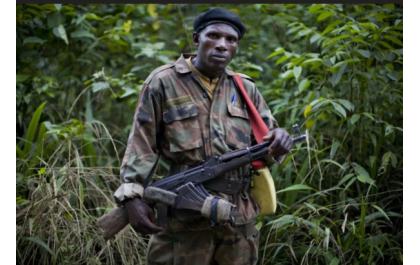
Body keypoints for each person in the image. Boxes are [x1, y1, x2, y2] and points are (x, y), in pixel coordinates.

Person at [113, 7, 293, 265]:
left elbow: (267, 143)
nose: (222, 45)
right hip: (184, 216)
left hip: (238, 219)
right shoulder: (164, 82)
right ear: (197, 39)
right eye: (214, 36)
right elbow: (142, 145)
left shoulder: (245, 88)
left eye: (231, 40)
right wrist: (132, 197)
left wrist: (280, 139)